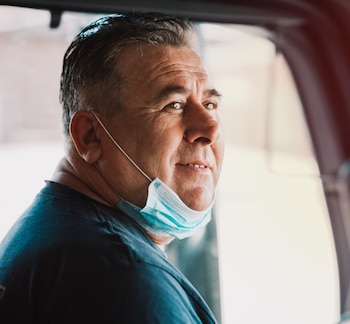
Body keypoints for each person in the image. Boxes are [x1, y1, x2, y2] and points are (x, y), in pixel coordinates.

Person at [0, 12, 223, 323]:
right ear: (90, 136)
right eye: (173, 105)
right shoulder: (126, 278)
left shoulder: (54, 229)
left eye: (210, 105)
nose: (210, 129)